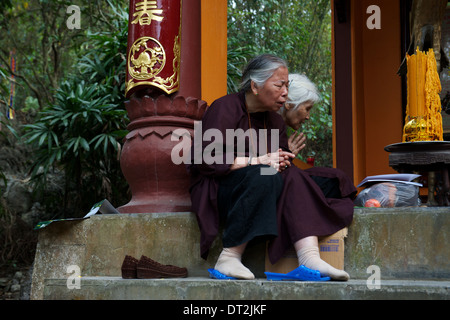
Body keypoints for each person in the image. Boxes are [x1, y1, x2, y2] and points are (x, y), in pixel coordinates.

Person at [188, 55, 355, 281]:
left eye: (287, 85)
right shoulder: (224, 108)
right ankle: (228, 257)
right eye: (279, 85)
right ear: (255, 86)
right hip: (221, 188)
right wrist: (257, 160)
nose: (285, 93)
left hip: (264, 184)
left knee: (314, 177)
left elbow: (276, 162)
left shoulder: (275, 122)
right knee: (264, 175)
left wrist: (281, 160)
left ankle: (309, 258)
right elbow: (203, 158)